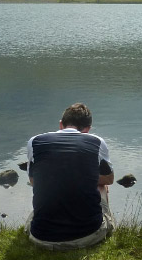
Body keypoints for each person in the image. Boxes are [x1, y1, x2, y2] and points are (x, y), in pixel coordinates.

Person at [25, 102, 115, 250]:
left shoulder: (35, 141)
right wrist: (85, 175)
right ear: (88, 129)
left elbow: (34, 181)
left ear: (61, 124)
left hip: (41, 237)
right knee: (102, 185)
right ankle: (98, 225)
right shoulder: (96, 142)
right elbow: (109, 179)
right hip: (88, 236)